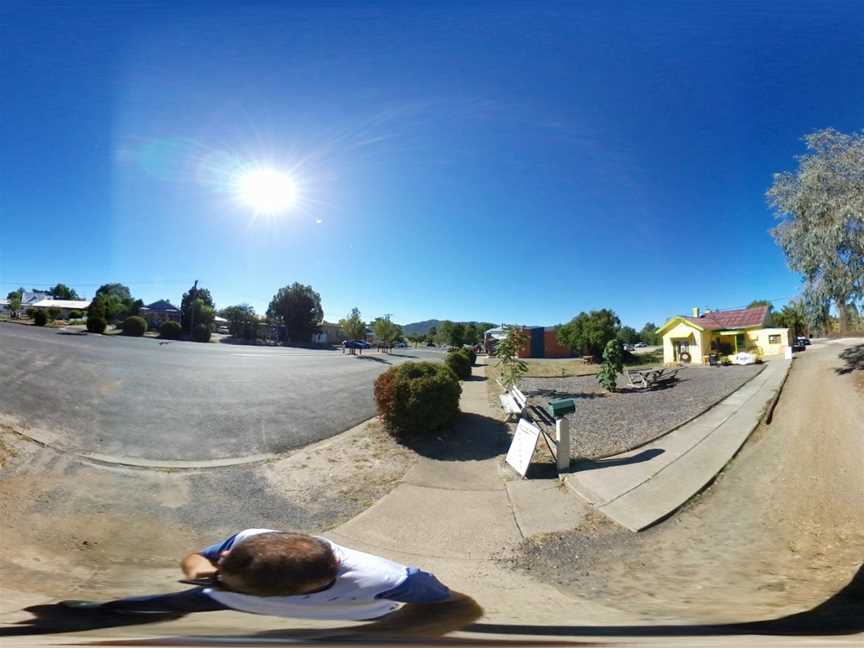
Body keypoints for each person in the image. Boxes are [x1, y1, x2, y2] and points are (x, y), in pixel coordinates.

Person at [60, 529, 482, 637]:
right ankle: (94, 614)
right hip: (235, 600)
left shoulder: (390, 581)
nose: (219, 562)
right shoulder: (249, 542)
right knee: (170, 600)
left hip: (343, 621)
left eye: (225, 570)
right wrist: (204, 573)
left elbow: (456, 606)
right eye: (224, 564)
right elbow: (198, 558)